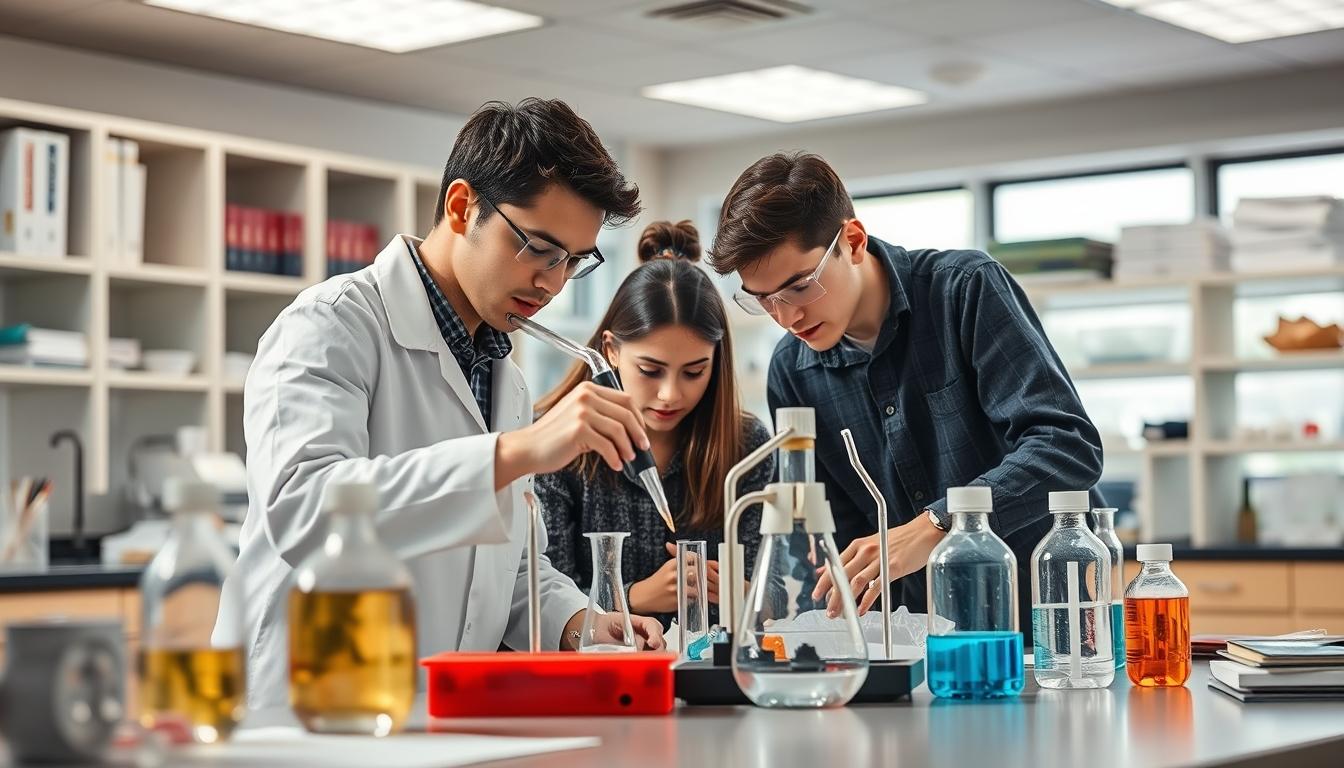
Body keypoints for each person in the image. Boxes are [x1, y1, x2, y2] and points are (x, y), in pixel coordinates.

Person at [219, 99, 666, 710]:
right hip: (302, 711)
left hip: (426, 715)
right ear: (462, 207)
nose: (552, 282)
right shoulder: (331, 326)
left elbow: (499, 565)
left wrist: (577, 622)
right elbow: (304, 512)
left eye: (571, 261)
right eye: (538, 247)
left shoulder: (501, 373)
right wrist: (519, 450)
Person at [705, 152, 1103, 634]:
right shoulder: (792, 370)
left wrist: (936, 524)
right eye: (763, 299)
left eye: (800, 287)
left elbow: (1068, 447)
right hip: (920, 633)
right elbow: (843, 535)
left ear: (852, 241)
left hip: (1048, 613)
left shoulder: (965, 290)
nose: (787, 318)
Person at [535, 221, 773, 630]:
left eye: (694, 372)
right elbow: (535, 594)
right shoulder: (555, 439)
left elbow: (778, 598)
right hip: (598, 681)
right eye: (650, 369)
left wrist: (748, 592)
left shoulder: (747, 446)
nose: (670, 395)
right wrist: (635, 597)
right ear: (610, 350)